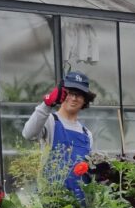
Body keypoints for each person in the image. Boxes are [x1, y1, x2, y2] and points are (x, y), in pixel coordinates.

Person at [22, 71, 96, 199]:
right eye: (70, 93)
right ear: (62, 95)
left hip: (80, 202)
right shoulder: (50, 121)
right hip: (51, 198)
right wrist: (47, 104)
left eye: (79, 95)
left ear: (85, 100)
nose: (73, 98)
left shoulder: (86, 133)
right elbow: (28, 134)